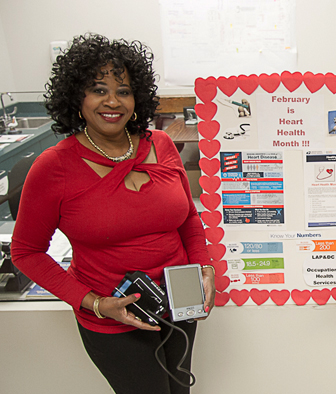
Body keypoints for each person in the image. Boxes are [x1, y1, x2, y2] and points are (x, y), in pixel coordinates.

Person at [11, 33, 215, 394]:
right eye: (98, 89)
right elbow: (26, 252)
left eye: (123, 90)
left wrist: (206, 270)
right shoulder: (53, 167)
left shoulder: (162, 144)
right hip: (113, 318)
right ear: (77, 98)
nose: (112, 101)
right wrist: (95, 303)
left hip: (177, 304)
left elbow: (186, 220)